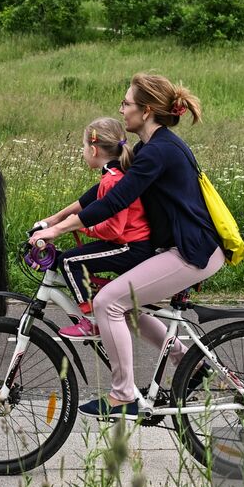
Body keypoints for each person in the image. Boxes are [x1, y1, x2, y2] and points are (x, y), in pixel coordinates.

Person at [29, 73, 223, 420]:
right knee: (127, 306)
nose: (122, 110)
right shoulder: (150, 149)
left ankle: (123, 396)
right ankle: (189, 363)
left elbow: (113, 202)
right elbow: (95, 194)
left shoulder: (158, 151)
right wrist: (52, 221)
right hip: (183, 248)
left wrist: (57, 233)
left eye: (126, 103)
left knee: (106, 301)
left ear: (146, 111)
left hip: (192, 252)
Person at [32, 117, 153, 332]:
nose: (83, 151)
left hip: (130, 246)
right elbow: (86, 203)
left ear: (94, 150)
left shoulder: (112, 180)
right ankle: (96, 303)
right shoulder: (116, 174)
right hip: (127, 243)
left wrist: (81, 227)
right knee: (69, 259)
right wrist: (55, 221)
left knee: (69, 262)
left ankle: (92, 321)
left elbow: (114, 229)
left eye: (84, 146)